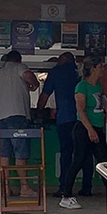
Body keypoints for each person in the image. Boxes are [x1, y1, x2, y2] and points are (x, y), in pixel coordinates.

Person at [0, 49, 40, 197]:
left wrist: (1, 100)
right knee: (21, 153)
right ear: (18, 60)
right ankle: (24, 187)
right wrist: (35, 85)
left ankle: (6, 188)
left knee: (5, 154)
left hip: (1, 118)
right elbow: (28, 75)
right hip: (18, 116)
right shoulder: (19, 67)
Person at [65, 56, 107, 208]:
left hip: (98, 126)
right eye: (100, 67)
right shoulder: (82, 87)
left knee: (104, 162)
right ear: (93, 69)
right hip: (84, 128)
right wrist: (90, 130)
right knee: (78, 160)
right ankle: (66, 195)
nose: (103, 69)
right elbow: (81, 110)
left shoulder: (99, 86)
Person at [40, 51, 82, 205]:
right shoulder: (79, 72)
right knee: (84, 153)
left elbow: (45, 95)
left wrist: (38, 111)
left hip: (64, 118)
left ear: (62, 59)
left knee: (66, 153)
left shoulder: (56, 72)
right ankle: (86, 187)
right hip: (82, 118)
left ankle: (64, 186)